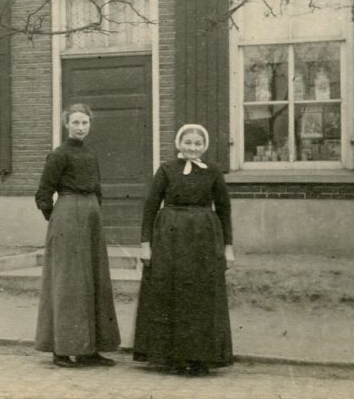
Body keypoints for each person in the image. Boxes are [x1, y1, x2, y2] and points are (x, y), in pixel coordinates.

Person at [133, 123, 234, 376]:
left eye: (197, 144)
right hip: (170, 239)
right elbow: (150, 207)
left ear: (204, 147)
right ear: (179, 144)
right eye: (187, 142)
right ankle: (172, 357)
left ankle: (200, 357)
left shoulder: (213, 172)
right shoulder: (166, 170)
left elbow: (223, 209)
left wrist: (228, 247)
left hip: (203, 239)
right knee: (171, 293)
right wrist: (146, 245)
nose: (192, 147)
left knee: (200, 297)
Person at [34, 103, 121, 368]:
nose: (81, 127)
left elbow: (98, 188)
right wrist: (59, 218)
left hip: (91, 216)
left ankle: (89, 349)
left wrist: (94, 211)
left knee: (94, 280)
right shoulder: (59, 155)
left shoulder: (91, 154)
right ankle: (61, 350)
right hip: (68, 215)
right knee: (69, 282)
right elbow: (43, 194)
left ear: (90, 125)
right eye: (76, 123)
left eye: (85, 123)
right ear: (66, 125)